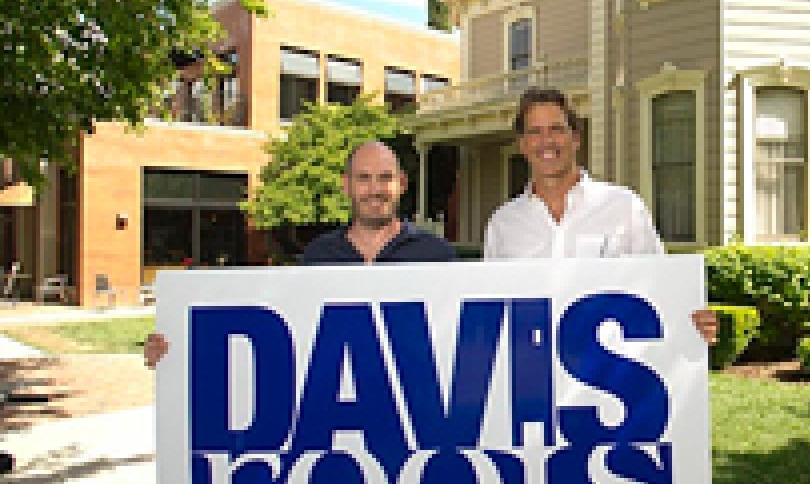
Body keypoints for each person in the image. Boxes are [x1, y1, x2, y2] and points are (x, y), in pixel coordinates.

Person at [143, 139, 453, 366]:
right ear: (346, 185)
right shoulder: (317, 257)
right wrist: (177, 354)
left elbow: (462, 343)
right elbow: (279, 339)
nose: (375, 189)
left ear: (401, 184)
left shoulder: (437, 256)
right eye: (363, 178)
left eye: (385, 178)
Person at [485, 87, 718, 341]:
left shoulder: (624, 206)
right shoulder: (503, 224)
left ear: (575, 138)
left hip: (609, 370)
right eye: (535, 132)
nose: (547, 141)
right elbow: (493, 312)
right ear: (522, 144)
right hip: (536, 371)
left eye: (556, 129)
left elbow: (660, 287)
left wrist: (691, 320)